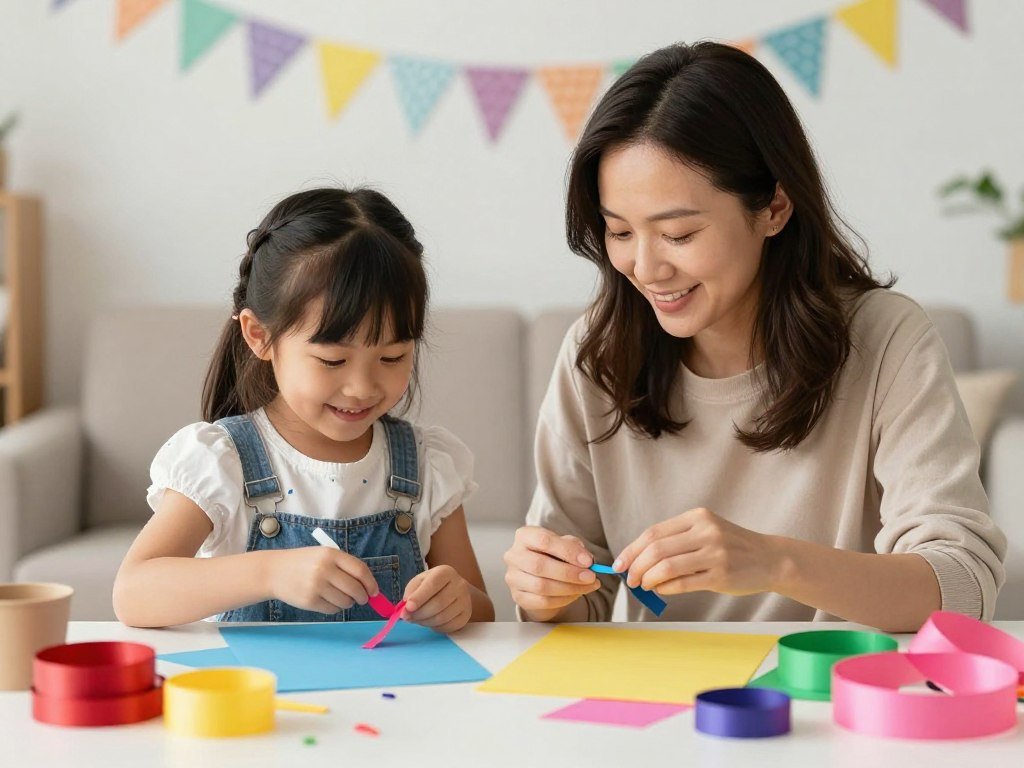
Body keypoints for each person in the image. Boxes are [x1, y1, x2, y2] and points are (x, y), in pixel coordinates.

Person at [503, 42, 1005, 632]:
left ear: (774, 207)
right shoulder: (598, 353)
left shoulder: (886, 339)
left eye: (679, 234)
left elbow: (962, 586)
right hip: (658, 702)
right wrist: (545, 590)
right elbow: (576, 605)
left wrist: (774, 561)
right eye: (618, 232)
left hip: (833, 702)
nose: (645, 267)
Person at [115, 187, 494, 631]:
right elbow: (133, 592)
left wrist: (457, 601)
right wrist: (270, 572)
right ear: (259, 336)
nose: (362, 387)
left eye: (392, 357)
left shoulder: (427, 465)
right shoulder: (224, 461)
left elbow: (483, 612)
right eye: (333, 360)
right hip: (263, 698)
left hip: (393, 695)